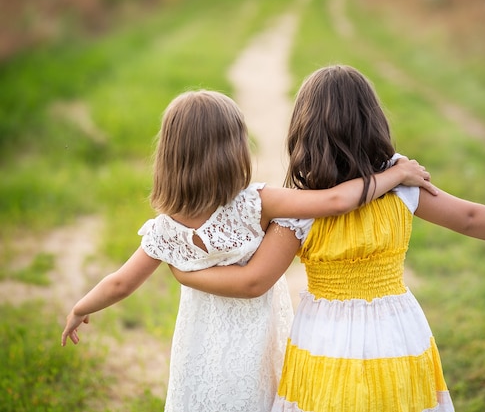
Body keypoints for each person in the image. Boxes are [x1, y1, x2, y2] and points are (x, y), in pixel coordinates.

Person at [169, 66, 485, 412]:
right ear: (372, 121)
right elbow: (469, 217)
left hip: (324, 339)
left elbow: (253, 281)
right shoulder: (402, 182)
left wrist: (188, 275)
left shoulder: (300, 207)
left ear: (303, 132)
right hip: (396, 329)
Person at [60, 89, 437, 412]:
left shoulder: (164, 230)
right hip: (254, 348)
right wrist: (395, 175)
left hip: (198, 352)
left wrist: (81, 307)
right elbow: (338, 200)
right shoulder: (254, 204)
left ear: (169, 157)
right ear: (234, 150)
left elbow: (120, 284)